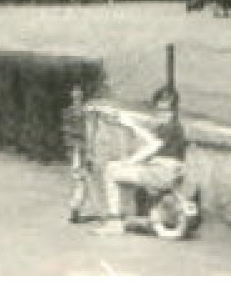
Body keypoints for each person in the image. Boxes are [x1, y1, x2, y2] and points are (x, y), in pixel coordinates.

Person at [103, 90, 187, 227]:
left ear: (174, 110)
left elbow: (152, 146)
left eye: (166, 110)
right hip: (167, 172)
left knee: (111, 170)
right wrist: (130, 125)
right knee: (123, 170)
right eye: (159, 110)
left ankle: (114, 221)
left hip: (162, 174)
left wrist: (128, 162)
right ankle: (135, 216)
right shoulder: (172, 126)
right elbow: (150, 140)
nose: (162, 114)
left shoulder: (169, 127)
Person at [64, 85, 91, 223]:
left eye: (79, 95)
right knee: (80, 180)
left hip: (86, 149)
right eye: (75, 95)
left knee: (85, 181)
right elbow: (68, 133)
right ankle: (75, 209)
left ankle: (77, 208)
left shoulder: (87, 112)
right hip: (78, 151)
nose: (77, 97)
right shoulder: (68, 113)